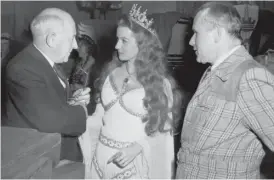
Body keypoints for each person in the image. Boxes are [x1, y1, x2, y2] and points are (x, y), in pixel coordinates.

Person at [78, 4, 183, 179]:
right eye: (117, 39)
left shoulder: (159, 84)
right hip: (100, 161)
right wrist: (78, 109)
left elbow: (163, 130)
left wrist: (138, 147)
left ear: (143, 44)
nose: (117, 45)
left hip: (133, 166)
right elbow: (99, 116)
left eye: (124, 40)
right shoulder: (110, 73)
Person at [176, 2, 274, 179]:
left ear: (217, 33)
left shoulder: (249, 77)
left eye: (196, 33)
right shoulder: (213, 71)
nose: (191, 41)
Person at [2, 8, 90, 164]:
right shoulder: (22, 67)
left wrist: (72, 100)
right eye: (72, 38)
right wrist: (81, 109)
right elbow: (50, 120)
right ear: (52, 39)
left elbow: (47, 101)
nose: (76, 45)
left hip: (54, 155)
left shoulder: (44, 61)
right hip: (36, 162)